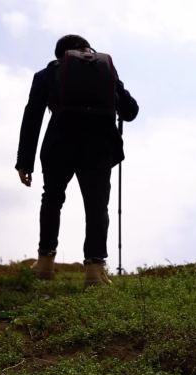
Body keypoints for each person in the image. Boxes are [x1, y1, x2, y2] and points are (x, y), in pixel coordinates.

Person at [15, 34, 139, 286]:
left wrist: (24, 161)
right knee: (96, 206)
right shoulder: (106, 70)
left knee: (52, 199)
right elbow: (131, 111)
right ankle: (94, 270)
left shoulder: (47, 73)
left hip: (59, 144)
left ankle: (45, 264)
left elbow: (33, 116)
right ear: (87, 50)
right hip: (99, 147)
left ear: (60, 54)